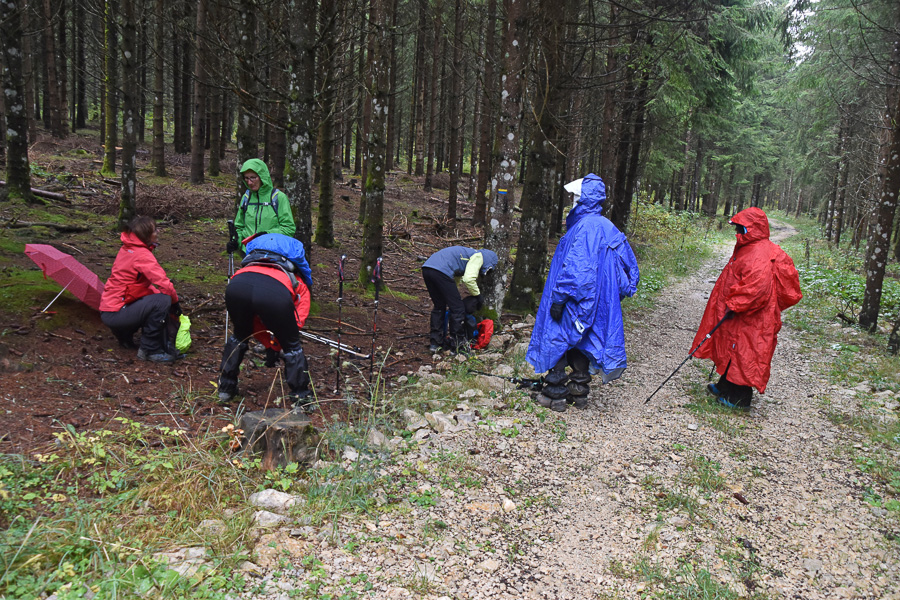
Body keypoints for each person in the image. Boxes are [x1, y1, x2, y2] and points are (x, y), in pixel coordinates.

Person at [526, 174, 640, 412]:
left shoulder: (585, 227)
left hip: (575, 298)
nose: (572, 201)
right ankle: (579, 393)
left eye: (575, 196)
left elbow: (577, 270)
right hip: (597, 301)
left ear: (584, 198)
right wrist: (612, 294)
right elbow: (629, 270)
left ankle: (555, 395)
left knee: (558, 338)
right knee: (584, 342)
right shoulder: (607, 227)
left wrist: (559, 299)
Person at [692, 207, 802, 409]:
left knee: (746, 353)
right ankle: (725, 386)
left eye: (740, 228)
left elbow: (757, 288)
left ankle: (740, 398)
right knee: (732, 346)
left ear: (751, 228)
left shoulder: (759, 252)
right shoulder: (750, 247)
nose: (737, 232)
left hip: (753, 315)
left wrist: (735, 304)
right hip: (743, 312)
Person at [218, 232, 314, 409]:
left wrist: (271, 345)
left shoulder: (250, 262)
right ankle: (301, 398)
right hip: (273, 292)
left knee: (239, 336)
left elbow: (254, 324)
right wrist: (279, 344)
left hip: (237, 285)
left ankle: (225, 389)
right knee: (293, 346)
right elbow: (295, 323)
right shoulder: (299, 282)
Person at [100, 216, 182, 363]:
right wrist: (175, 303)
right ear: (146, 235)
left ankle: (125, 337)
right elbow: (164, 283)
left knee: (155, 299)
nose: (158, 232)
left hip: (109, 310)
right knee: (163, 301)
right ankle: (150, 350)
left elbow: (138, 286)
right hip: (118, 312)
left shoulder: (127, 248)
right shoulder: (142, 255)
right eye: (155, 230)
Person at [422, 246, 498, 353]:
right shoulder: (479, 256)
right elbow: (468, 279)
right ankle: (457, 346)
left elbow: (455, 278)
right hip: (441, 271)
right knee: (458, 310)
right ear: (489, 261)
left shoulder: (465, 255)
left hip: (427, 268)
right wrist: (477, 295)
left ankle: (435, 343)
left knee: (439, 306)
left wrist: (453, 295)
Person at [227, 159, 296, 254]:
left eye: (253, 178)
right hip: (249, 253)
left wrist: (267, 235)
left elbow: (289, 229)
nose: (249, 182)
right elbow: (239, 227)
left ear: (262, 176)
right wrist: (236, 242)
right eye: (246, 178)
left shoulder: (278, 197)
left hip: (273, 252)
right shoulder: (246, 197)